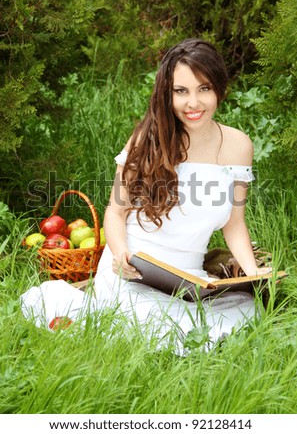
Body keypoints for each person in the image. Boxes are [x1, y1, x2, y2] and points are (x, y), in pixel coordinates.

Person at [21, 39, 272, 354]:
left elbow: (234, 223)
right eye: (181, 91)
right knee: (155, 327)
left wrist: (251, 274)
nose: (193, 103)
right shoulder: (146, 140)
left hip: (188, 280)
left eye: (203, 89)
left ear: (219, 88)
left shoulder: (238, 145)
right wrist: (121, 254)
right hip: (133, 274)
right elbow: (114, 212)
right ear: (166, 94)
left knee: (247, 312)